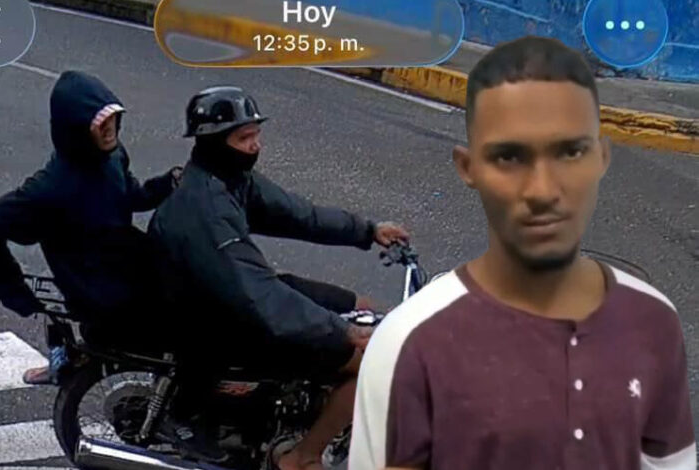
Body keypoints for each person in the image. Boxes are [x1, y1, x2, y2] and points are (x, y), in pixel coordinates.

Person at [349, 36, 696, 470]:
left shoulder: (654, 322)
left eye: (570, 152)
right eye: (510, 157)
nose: (542, 190)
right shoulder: (407, 345)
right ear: (469, 168)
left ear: (602, 159)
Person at [147, 86, 410, 470]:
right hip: (216, 318)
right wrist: (342, 331)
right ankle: (301, 457)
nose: (255, 145)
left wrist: (367, 231)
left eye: (256, 134)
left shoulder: (228, 178)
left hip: (233, 296)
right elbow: (259, 295)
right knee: (370, 361)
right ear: (215, 141)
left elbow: (297, 214)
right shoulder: (205, 208)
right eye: (244, 138)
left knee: (361, 306)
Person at [0, 70, 181, 384]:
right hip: (97, 284)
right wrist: (16, 294)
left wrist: (169, 182)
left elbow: (132, 196)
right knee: (180, 339)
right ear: (77, 129)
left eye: (113, 118)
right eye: (100, 123)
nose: (109, 129)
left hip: (125, 261)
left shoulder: (113, 156)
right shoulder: (51, 186)